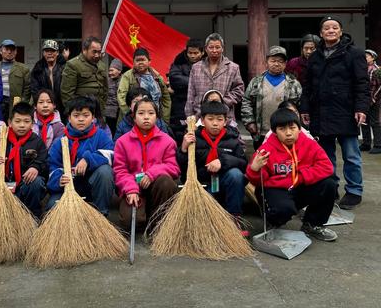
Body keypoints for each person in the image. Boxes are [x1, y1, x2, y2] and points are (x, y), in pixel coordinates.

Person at [300, 16, 369, 210]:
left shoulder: (354, 53)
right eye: (327, 28)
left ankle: (354, 191)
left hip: (346, 111)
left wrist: (361, 108)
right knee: (326, 155)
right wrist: (305, 108)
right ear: (321, 33)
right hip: (321, 112)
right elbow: (307, 86)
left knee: (351, 154)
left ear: (340, 31)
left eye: (335, 28)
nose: (331, 30)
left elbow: (362, 83)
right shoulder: (314, 56)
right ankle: (331, 187)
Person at [246, 108, 337, 242]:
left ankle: (312, 224)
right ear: (275, 132)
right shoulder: (266, 149)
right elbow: (258, 181)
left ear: (299, 129)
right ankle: (274, 222)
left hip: (299, 186)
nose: (288, 133)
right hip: (276, 190)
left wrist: (300, 176)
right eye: (282, 129)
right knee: (283, 209)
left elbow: (327, 167)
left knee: (329, 184)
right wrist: (254, 169)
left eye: (292, 128)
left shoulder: (309, 144)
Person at [178, 101, 248, 235]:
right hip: (201, 185)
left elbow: (243, 163)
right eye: (210, 119)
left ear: (225, 121)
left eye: (219, 119)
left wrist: (223, 161)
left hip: (224, 185)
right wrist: (183, 149)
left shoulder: (232, 139)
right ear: (202, 121)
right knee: (204, 226)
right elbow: (181, 168)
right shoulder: (193, 138)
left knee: (236, 175)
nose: (215, 123)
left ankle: (234, 219)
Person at [113, 97, 180, 230]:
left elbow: (173, 167)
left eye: (151, 113)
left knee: (166, 182)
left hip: (156, 186)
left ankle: (157, 224)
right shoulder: (122, 142)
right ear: (134, 117)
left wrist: (151, 174)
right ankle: (144, 214)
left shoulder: (167, 141)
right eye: (141, 113)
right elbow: (120, 171)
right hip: (133, 187)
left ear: (157, 117)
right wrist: (131, 189)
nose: (146, 117)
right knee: (129, 222)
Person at [46, 96, 115, 215]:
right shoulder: (61, 141)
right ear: (69, 118)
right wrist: (60, 179)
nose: (81, 119)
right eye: (76, 116)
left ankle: (101, 214)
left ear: (93, 117)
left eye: (86, 115)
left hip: (91, 185)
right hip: (68, 187)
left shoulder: (101, 135)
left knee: (105, 171)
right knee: (52, 207)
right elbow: (52, 167)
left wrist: (88, 159)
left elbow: (111, 154)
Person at [0, 102, 47, 218]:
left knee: (36, 183)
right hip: (5, 187)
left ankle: (32, 217)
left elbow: (45, 163)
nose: (22, 125)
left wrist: (36, 167)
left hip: (25, 187)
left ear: (32, 123)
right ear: (9, 122)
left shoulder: (38, 142)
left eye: (26, 121)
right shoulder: (1, 144)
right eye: (17, 121)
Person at [242, 46, 302, 150]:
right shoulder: (256, 82)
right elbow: (246, 101)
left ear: (285, 63)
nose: (276, 64)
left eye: (280, 61)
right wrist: (249, 122)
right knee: (263, 159)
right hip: (261, 131)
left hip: (285, 131)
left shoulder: (293, 83)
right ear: (267, 61)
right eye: (273, 60)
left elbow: (299, 106)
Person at [185, 33, 244, 123]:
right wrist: (190, 116)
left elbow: (239, 91)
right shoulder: (196, 67)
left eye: (217, 47)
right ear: (205, 49)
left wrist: (222, 99)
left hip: (225, 118)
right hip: (200, 117)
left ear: (222, 48)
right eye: (211, 47)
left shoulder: (233, 68)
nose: (214, 50)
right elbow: (190, 95)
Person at [117, 48, 171, 125]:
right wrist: (132, 116)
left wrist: (165, 120)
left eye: (143, 60)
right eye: (137, 60)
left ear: (149, 61)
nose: (140, 63)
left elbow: (166, 98)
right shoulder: (127, 76)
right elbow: (121, 97)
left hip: (156, 120)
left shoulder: (157, 76)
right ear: (133, 62)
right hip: (132, 122)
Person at [169, 39, 204, 143]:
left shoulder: (207, 63)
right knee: (180, 134)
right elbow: (174, 78)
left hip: (201, 105)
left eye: (196, 53)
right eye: (190, 53)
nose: (192, 56)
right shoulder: (179, 62)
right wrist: (195, 82)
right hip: (181, 105)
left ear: (202, 53)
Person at [61, 36, 108, 111]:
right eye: (94, 52)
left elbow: (105, 89)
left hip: (99, 111)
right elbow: (67, 94)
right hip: (81, 111)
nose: (97, 55)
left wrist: (102, 106)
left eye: (99, 52)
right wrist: (74, 112)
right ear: (84, 50)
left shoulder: (102, 65)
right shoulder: (73, 65)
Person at [0, 39, 31, 123]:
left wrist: (22, 104)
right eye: (6, 49)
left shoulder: (23, 68)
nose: (9, 52)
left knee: (13, 125)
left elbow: (27, 89)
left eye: (12, 50)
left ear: (16, 52)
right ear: (0, 51)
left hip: (15, 103)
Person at [31, 39, 65, 117]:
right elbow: (34, 89)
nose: (49, 53)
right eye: (47, 51)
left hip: (62, 106)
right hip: (44, 106)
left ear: (57, 53)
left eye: (52, 51)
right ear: (43, 53)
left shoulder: (65, 67)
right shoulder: (37, 69)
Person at [360, 49, 381, 154]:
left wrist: (373, 97)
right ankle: (366, 143)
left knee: (375, 122)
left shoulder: (377, 70)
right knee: (364, 121)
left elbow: (379, 86)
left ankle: (378, 144)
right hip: (364, 100)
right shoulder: (362, 69)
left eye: (367, 56)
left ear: (373, 58)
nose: (365, 58)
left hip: (374, 101)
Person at [105, 58, 123, 135]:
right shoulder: (107, 81)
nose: (110, 73)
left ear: (119, 71)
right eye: (109, 70)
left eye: (112, 70)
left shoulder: (123, 81)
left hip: (119, 112)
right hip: (108, 112)